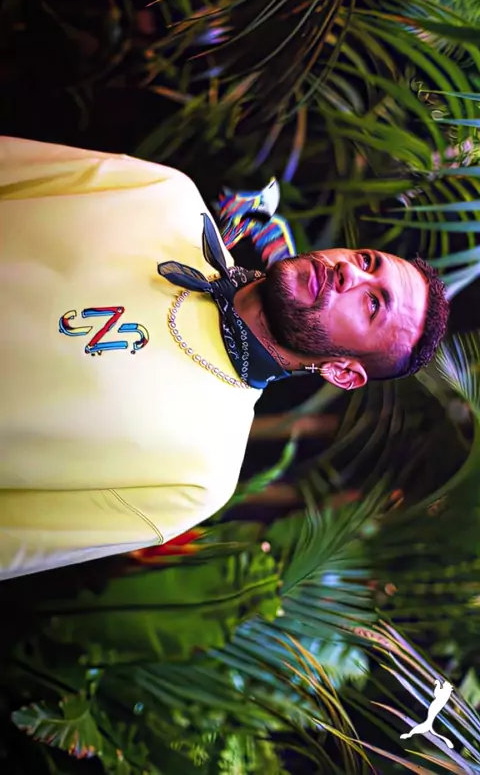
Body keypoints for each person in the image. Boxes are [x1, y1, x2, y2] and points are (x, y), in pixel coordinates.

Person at [0, 138, 449, 579]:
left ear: (342, 372)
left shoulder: (198, 472)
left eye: (372, 304)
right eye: (367, 261)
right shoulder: (163, 199)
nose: (349, 271)